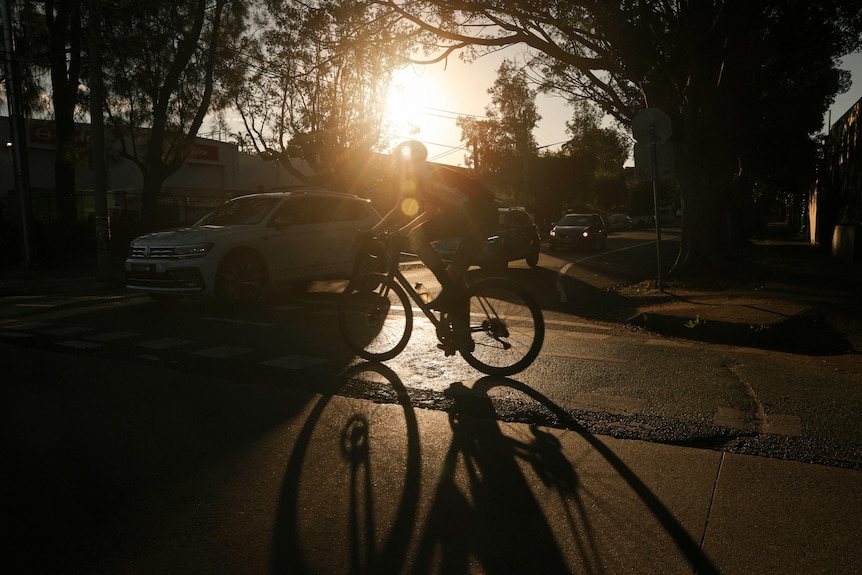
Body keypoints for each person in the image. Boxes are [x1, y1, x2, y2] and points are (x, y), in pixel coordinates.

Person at [369, 140, 497, 311]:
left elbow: (399, 209)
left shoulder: (415, 172)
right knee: (453, 275)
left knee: (418, 239)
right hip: (482, 214)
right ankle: (459, 332)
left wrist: (371, 232)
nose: (396, 163)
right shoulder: (429, 172)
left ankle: (450, 294)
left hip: (474, 214)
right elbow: (430, 211)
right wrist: (403, 231)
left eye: (398, 159)